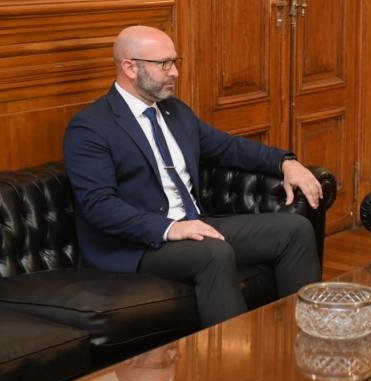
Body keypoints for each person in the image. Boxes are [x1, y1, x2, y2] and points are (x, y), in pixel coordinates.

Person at [64, 25, 322, 327]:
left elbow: (227, 147)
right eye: (164, 64)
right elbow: (99, 205)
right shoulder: (91, 127)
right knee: (213, 253)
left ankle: (305, 336)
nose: (174, 72)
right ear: (130, 67)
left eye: (175, 62)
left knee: (295, 230)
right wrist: (169, 228)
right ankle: (232, 355)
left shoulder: (175, 112)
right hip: (137, 245)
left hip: (194, 226)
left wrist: (284, 162)